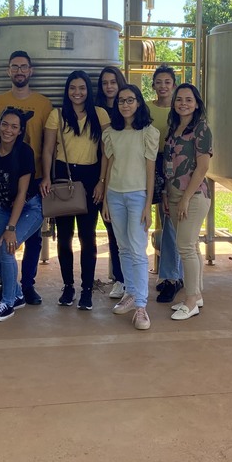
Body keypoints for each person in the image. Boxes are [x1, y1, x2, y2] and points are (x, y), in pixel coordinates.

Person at [0, 51, 53, 305]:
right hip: (5, 184)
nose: (19, 71)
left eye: (24, 66)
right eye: (15, 67)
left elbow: (48, 144)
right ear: (8, 71)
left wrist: (46, 176)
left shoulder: (43, 103)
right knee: (3, 248)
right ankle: (12, 289)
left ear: (31, 70)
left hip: (31, 183)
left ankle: (27, 285)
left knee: (33, 240)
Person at [41, 71, 110, 310]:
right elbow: (48, 150)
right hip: (63, 176)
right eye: (73, 88)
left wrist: (102, 181)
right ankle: (68, 286)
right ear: (67, 90)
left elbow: (106, 152)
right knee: (64, 237)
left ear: (88, 91)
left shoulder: (100, 114)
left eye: (82, 88)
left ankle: (87, 290)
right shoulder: (56, 115)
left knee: (88, 237)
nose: (77, 92)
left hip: (91, 178)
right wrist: (47, 178)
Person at [101, 84, 158, 331]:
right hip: (115, 196)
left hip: (137, 197)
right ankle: (130, 293)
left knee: (137, 250)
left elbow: (150, 170)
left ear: (138, 103)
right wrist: (104, 199)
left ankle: (142, 306)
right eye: (121, 101)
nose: (125, 104)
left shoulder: (148, 132)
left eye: (130, 100)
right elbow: (109, 165)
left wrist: (148, 204)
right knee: (123, 249)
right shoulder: (111, 133)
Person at [0, 108, 44, 322]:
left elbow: (23, 193)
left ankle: (7, 303)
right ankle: (16, 294)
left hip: (30, 207)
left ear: (20, 131)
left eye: (14, 126)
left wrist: (11, 228)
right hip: (4, 207)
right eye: (5, 124)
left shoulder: (24, 152)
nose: (8, 129)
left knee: (7, 249)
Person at [164, 83, 213, 321]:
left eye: (188, 99)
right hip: (174, 195)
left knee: (184, 245)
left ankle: (191, 300)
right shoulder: (174, 127)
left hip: (193, 196)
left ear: (196, 103)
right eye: (179, 99)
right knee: (191, 245)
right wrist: (167, 194)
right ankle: (197, 294)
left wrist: (184, 198)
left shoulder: (201, 128)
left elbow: (202, 167)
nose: (183, 103)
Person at [148, 64, 185, 304]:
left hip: (173, 165)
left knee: (170, 224)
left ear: (173, 85)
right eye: (158, 82)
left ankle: (173, 278)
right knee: (148, 220)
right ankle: (169, 274)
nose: (163, 86)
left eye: (167, 82)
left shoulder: (180, 110)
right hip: (149, 164)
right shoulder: (146, 108)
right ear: (153, 85)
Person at [95, 66, 126, 300]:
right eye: (105, 83)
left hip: (122, 177)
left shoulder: (128, 109)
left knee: (120, 232)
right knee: (110, 229)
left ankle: (124, 280)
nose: (109, 87)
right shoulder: (94, 110)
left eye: (113, 82)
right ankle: (119, 278)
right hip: (95, 174)